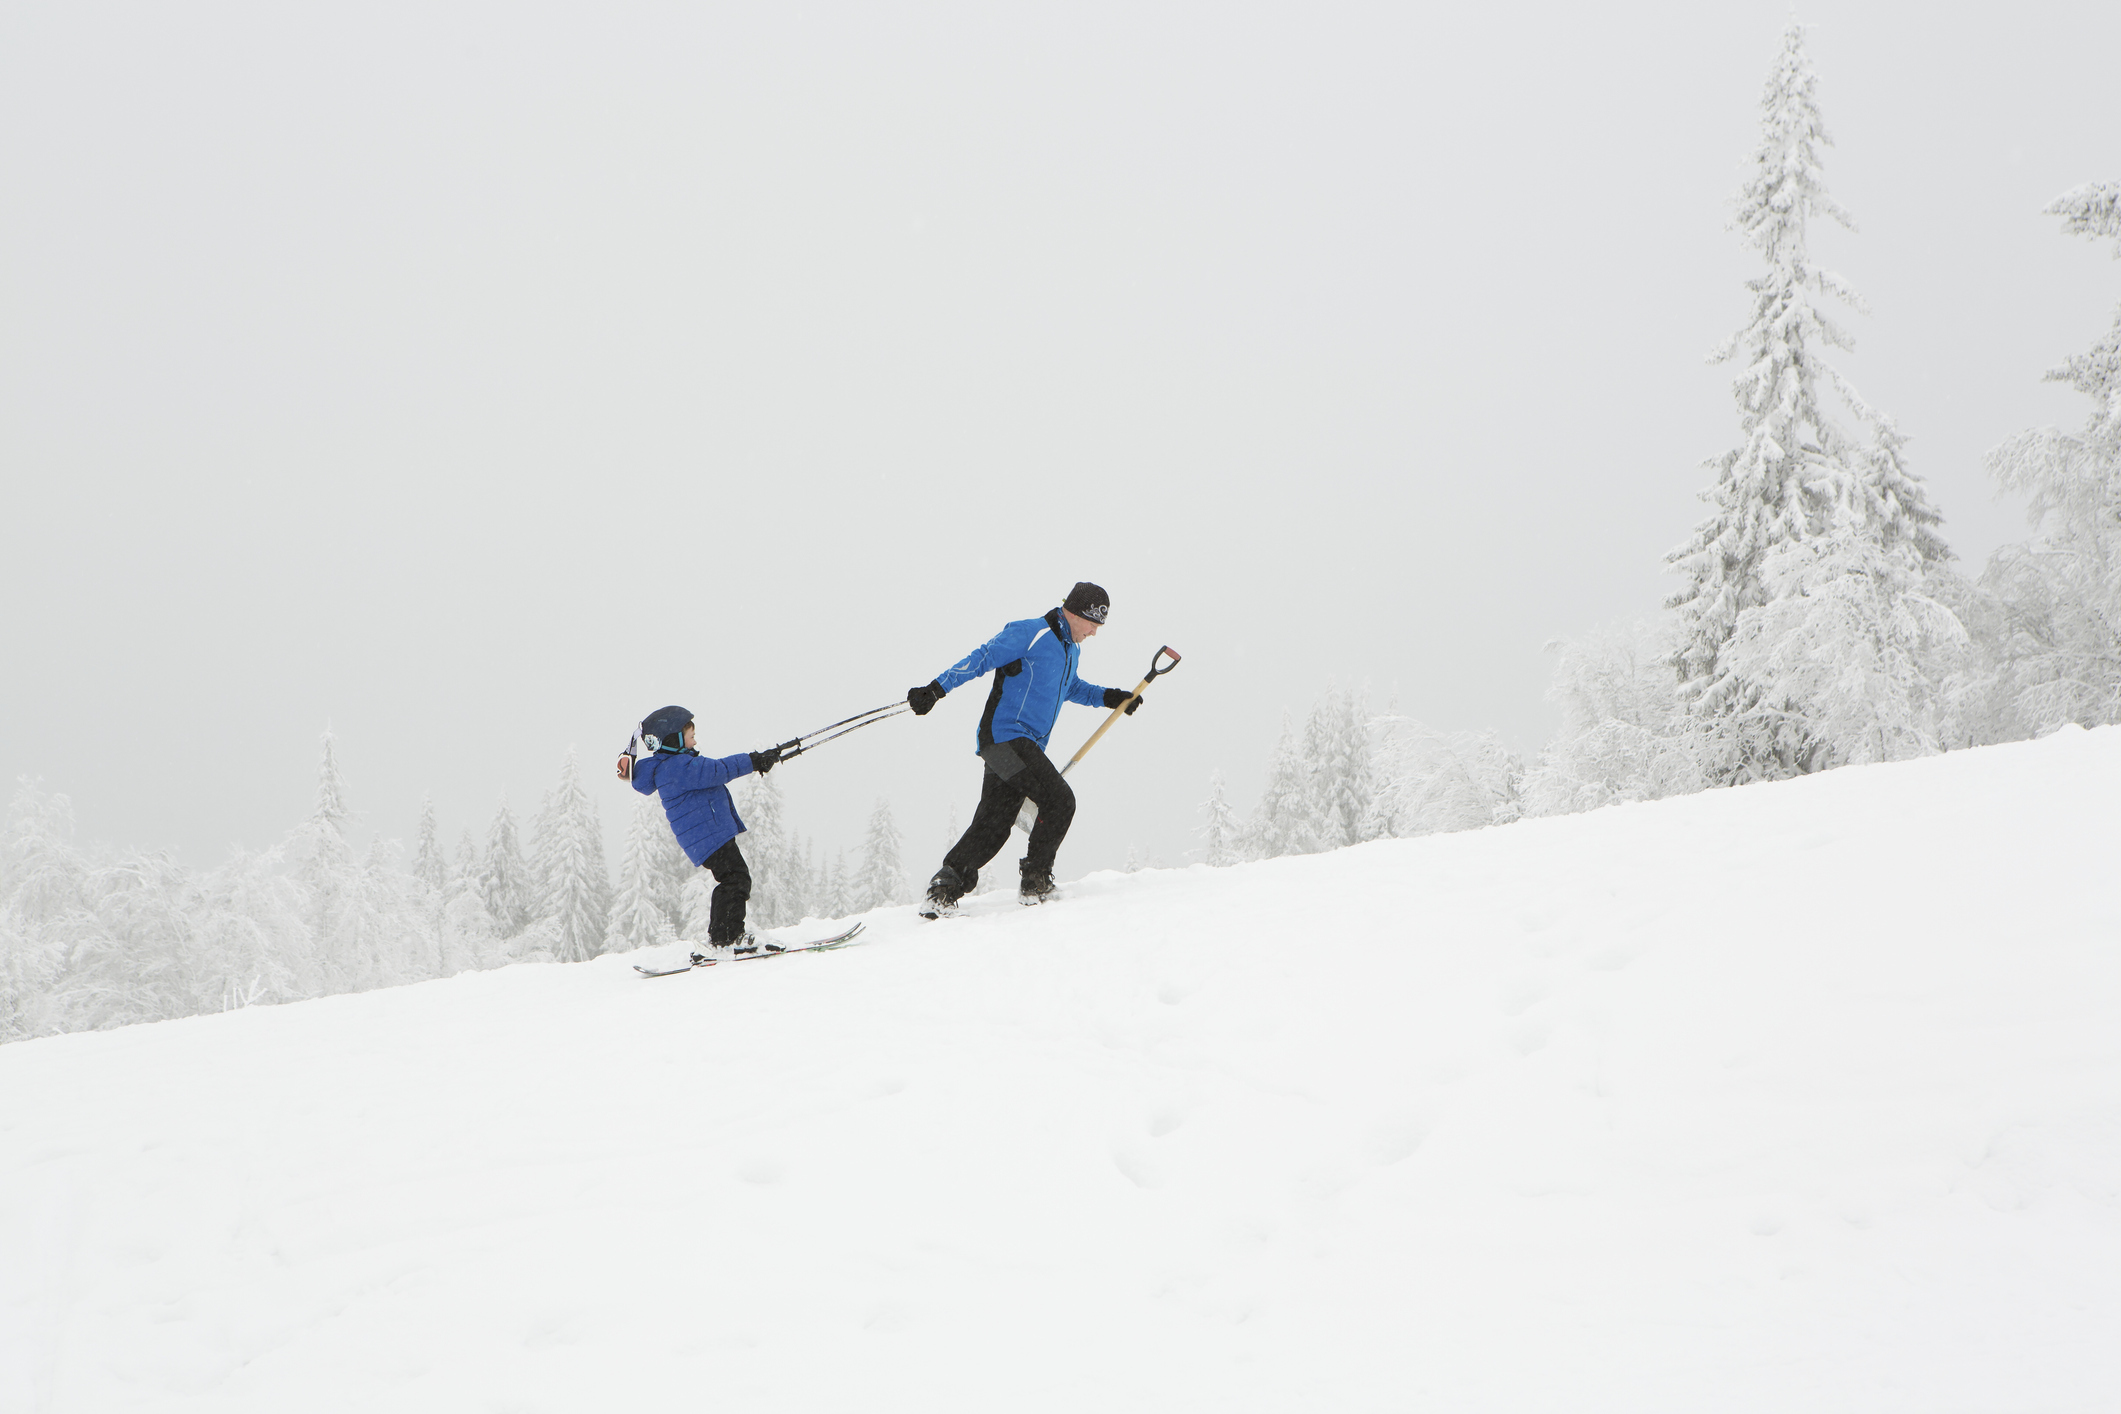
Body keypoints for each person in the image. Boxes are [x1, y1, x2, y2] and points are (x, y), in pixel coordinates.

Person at [907, 581, 1144, 914]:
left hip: (1018, 745)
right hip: (1006, 736)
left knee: (995, 823)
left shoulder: (1070, 650)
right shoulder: (1032, 633)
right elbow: (983, 657)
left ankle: (944, 889)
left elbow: (1070, 687)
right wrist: (936, 688)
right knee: (1059, 800)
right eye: (1093, 623)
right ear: (1076, 613)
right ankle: (1035, 881)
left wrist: (1110, 697)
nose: (1094, 632)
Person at [619, 705, 785, 956]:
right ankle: (729, 938)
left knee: (732, 878)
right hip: (709, 836)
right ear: (673, 739)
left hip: (705, 836)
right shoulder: (679, 767)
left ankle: (723, 937)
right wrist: (754, 761)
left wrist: (758, 760)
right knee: (736, 879)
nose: (695, 741)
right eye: (690, 736)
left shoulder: (670, 766)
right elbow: (718, 770)